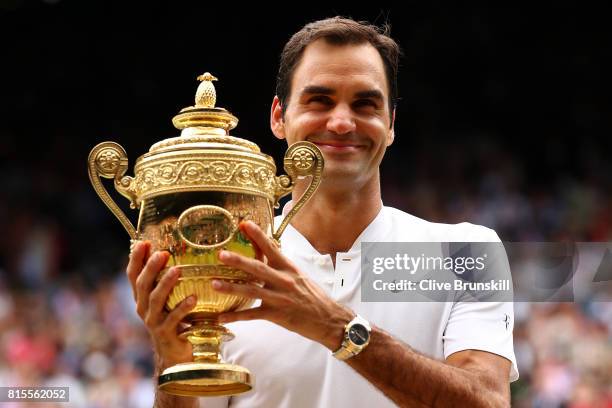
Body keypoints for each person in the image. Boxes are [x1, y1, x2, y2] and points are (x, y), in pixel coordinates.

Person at [127, 17, 518, 408]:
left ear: (391, 123)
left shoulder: (466, 252)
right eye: (320, 100)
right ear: (279, 117)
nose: (343, 122)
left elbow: (489, 401)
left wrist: (335, 327)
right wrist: (171, 362)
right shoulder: (227, 262)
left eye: (365, 103)